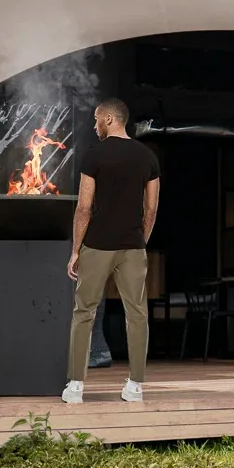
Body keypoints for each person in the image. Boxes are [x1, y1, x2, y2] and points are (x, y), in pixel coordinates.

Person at [63, 98, 160, 405]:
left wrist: (76, 250)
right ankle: (135, 387)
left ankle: (76, 386)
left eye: (96, 120)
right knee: (137, 315)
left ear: (108, 119)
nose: (94, 126)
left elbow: (83, 208)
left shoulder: (95, 155)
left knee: (83, 314)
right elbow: (152, 207)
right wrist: (140, 239)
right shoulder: (147, 156)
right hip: (132, 247)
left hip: (97, 246)